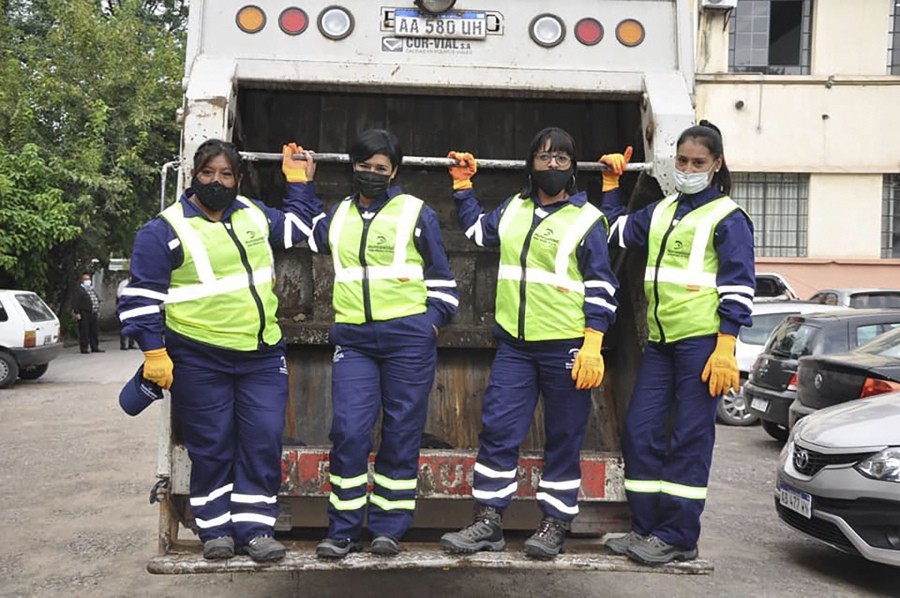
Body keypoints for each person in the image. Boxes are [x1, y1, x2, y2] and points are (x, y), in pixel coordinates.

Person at [117, 139, 312, 562]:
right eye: (208, 173)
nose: (217, 182)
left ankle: (256, 530)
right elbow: (140, 300)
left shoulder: (254, 214)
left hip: (261, 355)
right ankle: (215, 530)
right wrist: (154, 353)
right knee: (213, 445)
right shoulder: (164, 229)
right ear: (193, 176)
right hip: (200, 357)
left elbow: (298, 230)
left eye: (226, 175)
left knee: (261, 441)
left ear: (238, 179)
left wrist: (297, 182)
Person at [439, 127, 619, 560]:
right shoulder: (514, 209)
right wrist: (464, 186)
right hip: (516, 347)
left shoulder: (587, 219)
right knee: (499, 430)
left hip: (566, 347)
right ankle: (488, 521)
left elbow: (602, 286)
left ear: (573, 167)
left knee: (563, 436)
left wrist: (593, 342)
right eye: (544, 158)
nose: (552, 166)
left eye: (561, 159)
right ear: (530, 163)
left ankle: (555, 523)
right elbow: (478, 234)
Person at [281, 130, 459, 559]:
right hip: (355, 342)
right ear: (352, 167)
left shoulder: (416, 213)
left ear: (394, 172)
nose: (371, 174)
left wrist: (429, 325)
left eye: (380, 168)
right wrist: (299, 183)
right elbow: (301, 232)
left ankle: (388, 528)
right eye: (364, 166)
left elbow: (444, 284)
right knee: (349, 432)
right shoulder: (338, 215)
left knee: (401, 433)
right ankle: (342, 529)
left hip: (408, 341)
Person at [600, 121, 755, 565]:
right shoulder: (664, 211)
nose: (688, 168)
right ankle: (646, 528)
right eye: (682, 161)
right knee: (640, 431)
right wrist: (613, 185)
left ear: (716, 165)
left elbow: (739, 287)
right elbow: (614, 232)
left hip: (702, 346)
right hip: (663, 345)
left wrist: (726, 345)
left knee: (688, 438)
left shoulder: (728, 219)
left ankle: (679, 536)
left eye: (698, 163)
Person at [72, 273, 103, 354]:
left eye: (88, 279)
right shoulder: (79, 290)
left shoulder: (91, 289)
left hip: (93, 313)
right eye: (86, 279)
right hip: (84, 313)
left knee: (94, 331)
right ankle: (84, 347)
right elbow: (75, 302)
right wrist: (77, 312)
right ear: (82, 281)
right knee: (84, 331)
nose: (88, 281)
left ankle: (94, 347)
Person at [116, 277, 136, 350]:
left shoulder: (136, 283)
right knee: (124, 326)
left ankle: (131, 344)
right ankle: (123, 345)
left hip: (133, 307)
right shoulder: (123, 284)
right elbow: (119, 295)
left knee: (133, 326)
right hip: (125, 307)